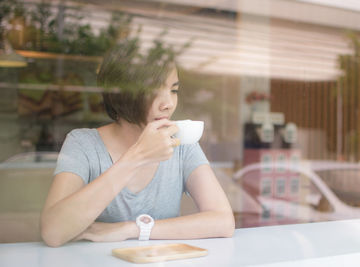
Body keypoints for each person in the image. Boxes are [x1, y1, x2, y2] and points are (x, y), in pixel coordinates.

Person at [40, 40, 235, 247]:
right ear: (123, 94)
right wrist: (137, 157)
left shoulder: (181, 144)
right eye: (153, 89)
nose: (168, 104)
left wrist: (132, 229)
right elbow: (53, 232)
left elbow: (223, 221)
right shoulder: (83, 143)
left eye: (173, 90)